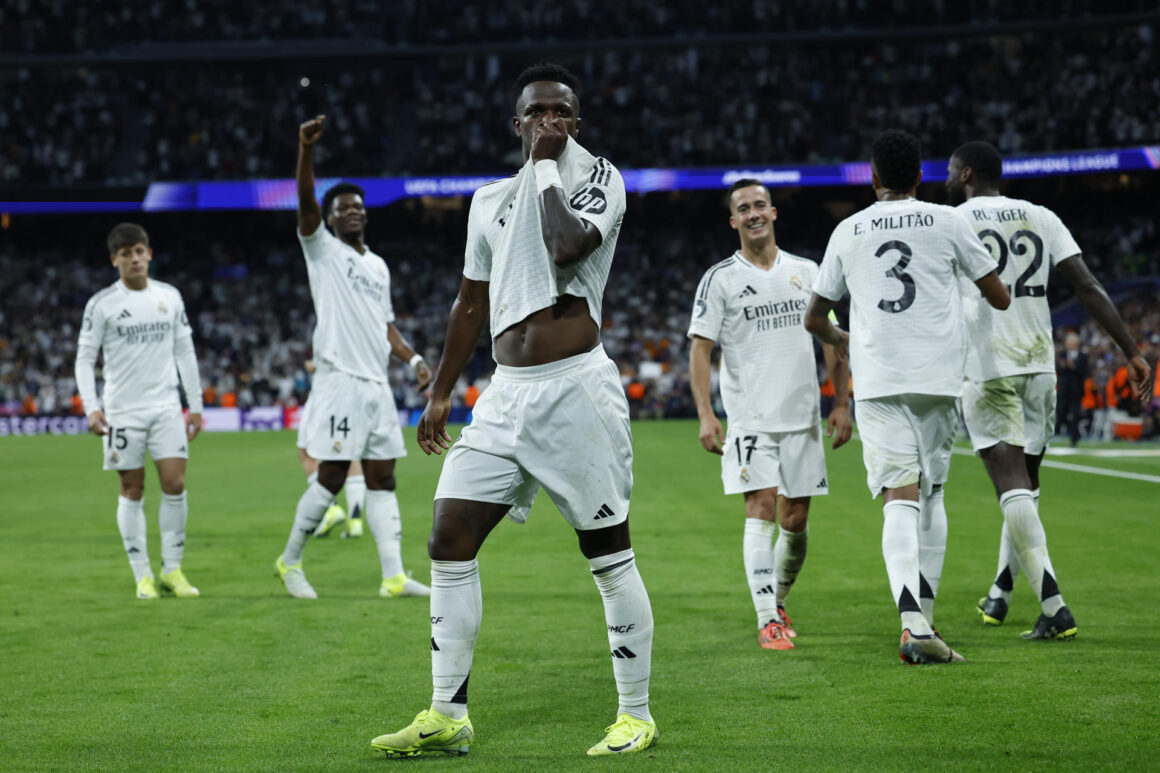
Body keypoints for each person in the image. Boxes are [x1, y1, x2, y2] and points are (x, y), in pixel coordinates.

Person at [371, 63, 656, 758]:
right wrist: (441, 388)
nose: (549, 123)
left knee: (607, 552)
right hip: (505, 394)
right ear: (516, 122)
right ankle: (447, 712)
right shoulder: (487, 200)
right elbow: (471, 300)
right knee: (448, 535)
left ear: (577, 125)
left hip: (575, 390)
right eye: (537, 113)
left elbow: (566, 245)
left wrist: (548, 169)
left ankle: (636, 714)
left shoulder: (599, 178)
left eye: (562, 113)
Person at [804, 129, 1010, 664]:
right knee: (933, 495)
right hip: (939, 378)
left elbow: (814, 317)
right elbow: (999, 296)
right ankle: (923, 619)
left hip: (878, 380)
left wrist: (841, 338)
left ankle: (913, 625)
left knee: (899, 497)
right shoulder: (951, 220)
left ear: (873, 179)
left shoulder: (848, 230)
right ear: (921, 177)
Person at [945, 141, 1152, 638]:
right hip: (1040, 364)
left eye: (952, 172)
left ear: (968, 174)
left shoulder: (953, 220)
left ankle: (1055, 606)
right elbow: (1086, 284)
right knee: (1025, 488)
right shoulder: (1041, 215)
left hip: (989, 364)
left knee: (1011, 486)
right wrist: (1131, 350)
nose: (947, 179)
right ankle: (999, 593)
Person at [688, 179, 851, 651]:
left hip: (802, 417)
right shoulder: (720, 278)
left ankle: (775, 599)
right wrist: (706, 413)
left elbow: (833, 340)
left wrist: (841, 402)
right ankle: (767, 620)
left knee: (795, 520)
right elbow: (700, 350)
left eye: (760, 204)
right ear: (733, 220)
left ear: (774, 213)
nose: (753, 213)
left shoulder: (806, 271)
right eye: (744, 207)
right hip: (751, 418)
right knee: (759, 508)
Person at [275, 114, 432, 600]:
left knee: (384, 476)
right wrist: (305, 149)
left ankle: (393, 577)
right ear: (329, 218)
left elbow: (385, 326)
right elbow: (304, 201)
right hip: (340, 379)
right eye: (343, 208)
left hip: (375, 385)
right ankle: (290, 561)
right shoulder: (322, 250)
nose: (353, 212)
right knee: (333, 475)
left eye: (358, 207)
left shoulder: (378, 266)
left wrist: (413, 360)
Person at [75, 222, 204, 600]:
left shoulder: (170, 297)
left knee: (175, 483)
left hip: (166, 407)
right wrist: (92, 408)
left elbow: (185, 352)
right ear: (114, 260)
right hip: (123, 412)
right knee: (132, 489)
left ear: (149, 254)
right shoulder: (102, 305)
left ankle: (173, 570)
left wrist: (194, 404)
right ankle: (142, 574)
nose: (135, 258)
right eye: (126, 253)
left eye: (139, 251)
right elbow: (84, 359)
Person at [297, 359, 366, 539]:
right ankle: (355, 519)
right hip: (353, 395)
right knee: (350, 452)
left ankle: (331, 508)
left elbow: (329, 359)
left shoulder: (332, 330)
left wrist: (314, 365)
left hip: (326, 395)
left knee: (305, 452)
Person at [1056, 332, 1089, 447]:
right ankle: (1063, 432)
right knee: (1060, 413)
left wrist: (1074, 367)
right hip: (1063, 390)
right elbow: (1057, 369)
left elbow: (1085, 371)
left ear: (1077, 344)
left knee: (1075, 415)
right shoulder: (1062, 354)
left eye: (1072, 342)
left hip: (1076, 391)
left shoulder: (1083, 356)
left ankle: (1074, 438)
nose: (1070, 344)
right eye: (1068, 342)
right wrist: (1063, 366)